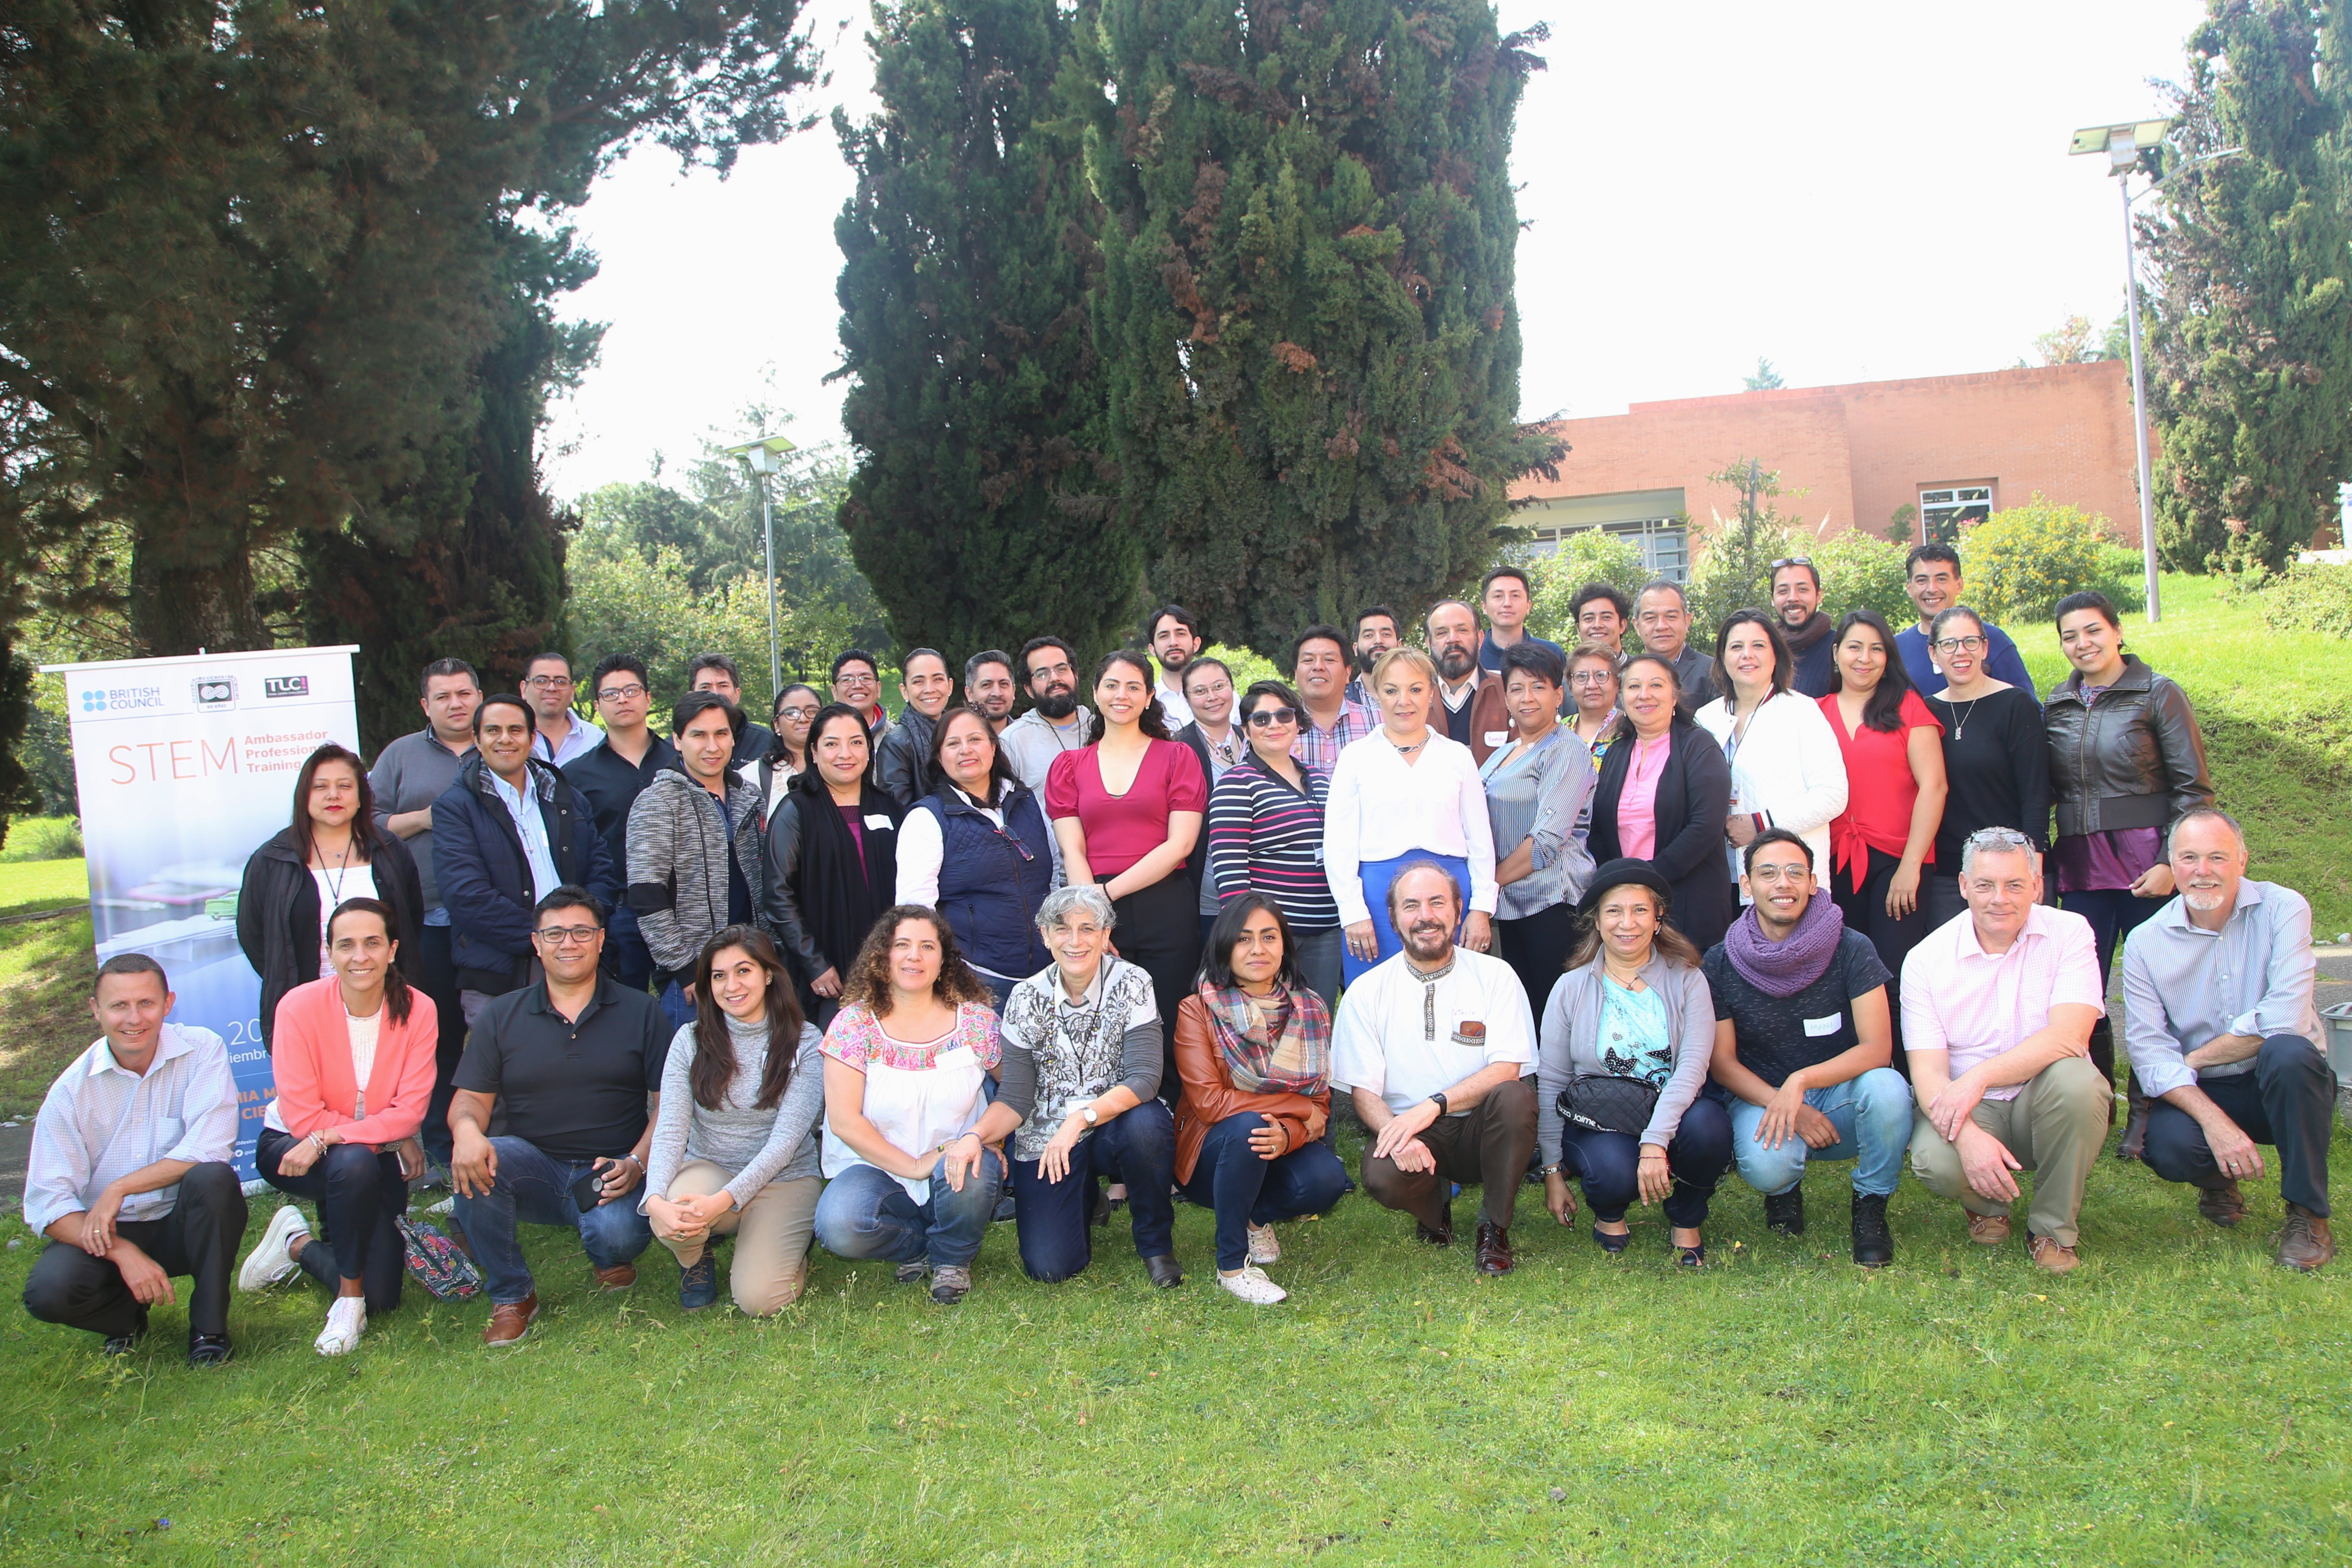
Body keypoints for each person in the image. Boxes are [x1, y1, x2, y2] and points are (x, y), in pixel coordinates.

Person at [448, 887, 669, 1345]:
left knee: (618, 1236)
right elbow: (469, 1100)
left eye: (581, 931)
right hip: (534, 1167)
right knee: (477, 1160)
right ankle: (512, 1295)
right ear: (536, 942)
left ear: (602, 939)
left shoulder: (642, 1010)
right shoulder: (501, 1015)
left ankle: (607, 1254)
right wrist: (466, 1132)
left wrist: (638, 1161)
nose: (568, 943)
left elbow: (668, 1102)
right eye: (554, 933)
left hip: (614, 1168)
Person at [2123, 809, 2335, 1270]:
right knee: (2169, 1148)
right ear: (2172, 865)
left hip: (2278, 1077)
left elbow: (2282, 1018)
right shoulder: (2142, 942)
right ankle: (2218, 1181)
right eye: (2189, 857)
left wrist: (2190, 1060)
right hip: (2206, 1086)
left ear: (2242, 859)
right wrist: (2214, 1122)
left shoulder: (2284, 908)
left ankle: (2307, 1214)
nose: (2203, 871)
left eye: (2217, 856)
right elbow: (2147, 1051)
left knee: (2289, 1052)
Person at [2045, 589, 2214, 1156]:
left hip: (2148, 869)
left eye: (2092, 630)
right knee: (2082, 994)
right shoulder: (2057, 704)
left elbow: (2193, 790)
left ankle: (2151, 1110)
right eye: (2070, 635)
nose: (2082, 643)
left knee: (2156, 996)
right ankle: (2094, 1105)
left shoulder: (2157, 693)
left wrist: (2172, 861)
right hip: (2081, 870)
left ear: (2116, 631)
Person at [1901, 828, 2108, 1274]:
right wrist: (1968, 1138)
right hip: (1974, 1109)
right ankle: (1986, 1203)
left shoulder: (2070, 933)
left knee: (2080, 1082)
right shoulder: (1924, 960)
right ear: (1962, 886)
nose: (2000, 898)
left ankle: (2052, 1229)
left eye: (2014, 884)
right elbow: (1929, 1075)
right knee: (1935, 1160)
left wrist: (1976, 1077)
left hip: (2044, 1097)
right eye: (1984, 885)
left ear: (2037, 885)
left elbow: (2069, 1036)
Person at [22, 955, 245, 1365]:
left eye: (146, 1003)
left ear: (168, 1002)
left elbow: (211, 1146)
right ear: (96, 1009)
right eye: (118, 1005)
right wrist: (123, 1251)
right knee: (48, 1292)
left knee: (214, 1179)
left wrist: (119, 1187)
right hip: (107, 1232)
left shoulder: (202, 1049)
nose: (133, 1018)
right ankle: (125, 1319)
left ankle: (209, 1331)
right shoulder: (71, 1090)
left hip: (183, 1221)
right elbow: (47, 1203)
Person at [239, 899, 436, 1354]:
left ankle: (296, 1243)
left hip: (364, 1148)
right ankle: (348, 1301)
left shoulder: (419, 1009)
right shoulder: (298, 1006)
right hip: (290, 1149)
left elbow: (409, 1113)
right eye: (345, 944)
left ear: (392, 949)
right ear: (329, 952)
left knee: (385, 1297)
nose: (359, 956)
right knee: (352, 1163)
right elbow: (302, 1117)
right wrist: (380, 1131)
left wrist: (341, 1134)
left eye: (372, 943)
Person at [1702, 833, 1905, 1265]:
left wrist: (1802, 1082)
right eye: (1768, 872)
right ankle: (1783, 1189)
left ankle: (1870, 1204)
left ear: (1813, 882)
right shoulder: (1719, 961)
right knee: (1769, 1167)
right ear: (1746, 883)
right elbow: (1722, 1063)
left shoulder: (1852, 947)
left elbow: (1877, 1048)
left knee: (1889, 1089)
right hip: (1762, 1099)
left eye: (1795, 872)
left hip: (1838, 1097)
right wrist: (1787, 1102)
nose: (1783, 883)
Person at [1333, 863, 1535, 1270]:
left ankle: (1494, 1228)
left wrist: (1433, 1105)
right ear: (1392, 918)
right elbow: (1364, 1091)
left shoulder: (1495, 975)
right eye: (1411, 905)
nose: (1425, 915)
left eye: (1437, 902)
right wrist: (1399, 1135)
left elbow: (1507, 1070)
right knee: (1381, 1175)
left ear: (1458, 910)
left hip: (1483, 1126)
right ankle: (1432, 1212)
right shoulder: (1365, 992)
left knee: (1515, 1097)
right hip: (1414, 1131)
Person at [1537, 860, 1730, 1266]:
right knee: (1609, 1170)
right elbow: (1552, 1081)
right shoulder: (1569, 988)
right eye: (1614, 911)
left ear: (1658, 919)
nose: (1628, 923)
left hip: (1674, 1110)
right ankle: (1610, 1212)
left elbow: (1693, 1067)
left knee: (1709, 1127)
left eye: (1640, 910)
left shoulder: (1688, 979)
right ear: (1597, 921)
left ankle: (1686, 1215)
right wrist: (1552, 1171)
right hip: (1600, 1118)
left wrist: (1655, 1141)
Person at [813, 906, 1007, 1306]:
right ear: (882, 957)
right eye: (901, 945)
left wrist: (989, 1137)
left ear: (944, 960)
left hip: (954, 1160)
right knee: (840, 1225)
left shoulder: (975, 1022)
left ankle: (951, 1259)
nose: (914, 956)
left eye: (927, 946)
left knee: (972, 1172)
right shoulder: (854, 1024)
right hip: (874, 1166)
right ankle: (917, 1247)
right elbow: (845, 1121)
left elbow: (1017, 1089)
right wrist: (915, 1165)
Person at [989, 885, 1181, 1286]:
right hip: (1046, 1135)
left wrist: (1080, 1120)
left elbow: (1145, 1077)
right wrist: (978, 1136)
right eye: (1062, 929)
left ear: (1106, 935)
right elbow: (1016, 1096)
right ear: (1043, 935)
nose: (1075, 941)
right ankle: (1085, 1195)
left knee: (1147, 1126)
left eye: (1087, 928)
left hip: (1115, 1121)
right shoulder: (1024, 998)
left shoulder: (1133, 982)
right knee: (1050, 1267)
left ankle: (1155, 1244)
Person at [1176, 894, 1352, 1304]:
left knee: (1327, 1180)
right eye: (1243, 939)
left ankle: (1256, 1217)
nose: (1258, 949)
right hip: (1211, 1154)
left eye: (1269, 937)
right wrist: (1295, 1107)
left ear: (1284, 946)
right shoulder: (1196, 1009)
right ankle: (1232, 1266)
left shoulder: (1311, 1009)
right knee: (1247, 1126)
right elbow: (1210, 1104)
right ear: (1224, 947)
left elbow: (1320, 1107)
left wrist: (1289, 1135)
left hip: (1277, 1142)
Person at [643, 926, 828, 1313]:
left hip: (785, 1178)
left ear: (768, 974)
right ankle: (696, 1259)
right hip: (712, 1169)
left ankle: (783, 1241)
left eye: (743, 971)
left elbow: (785, 1144)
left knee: (759, 1300)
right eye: (718, 975)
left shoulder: (806, 1042)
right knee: (676, 1209)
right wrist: (655, 1198)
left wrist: (723, 1202)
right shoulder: (689, 1040)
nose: (731, 986)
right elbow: (671, 1128)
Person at [1045, 650, 1208, 1075]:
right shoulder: (1068, 766)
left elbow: (1180, 844)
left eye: (1134, 686)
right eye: (1112, 685)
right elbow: (1072, 850)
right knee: (1102, 1023)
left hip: (1164, 906)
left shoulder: (1178, 758)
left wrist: (1106, 896)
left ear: (1150, 695)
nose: (1122, 695)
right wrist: (1091, 919)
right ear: (1095, 693)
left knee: (1168, 1020)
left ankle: (1174, 1125)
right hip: (1094, 909)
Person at [433, 694, 618, 1026]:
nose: (505, 739)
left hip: (578, 959)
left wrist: (578, 933)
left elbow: (601, 870)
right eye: (493, 730)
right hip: (499, 973)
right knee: (511, 1072)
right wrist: (546, 938)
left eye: (515, 729)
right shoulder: (456, 806)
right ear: (477, 739)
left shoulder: (566, 797)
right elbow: (466, 895)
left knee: (582, 1065)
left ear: (532, 738)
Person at [1325, 646, 1498, 985]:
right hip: (1376, 900)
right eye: (1391, 690)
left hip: (1449, 895)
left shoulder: (1457, 757)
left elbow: (1480, 839)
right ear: (1377, 694)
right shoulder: (1355, 758)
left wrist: (1480, 908)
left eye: (1415, 689)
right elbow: (1338, 842)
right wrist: (1352, 911)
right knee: (1377, 997)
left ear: (1431, 693)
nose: (1404, 700)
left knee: (1453, 994)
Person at [237, 742, 425, 1051]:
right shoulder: (273, 859)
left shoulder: (390, 850)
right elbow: (254, 936)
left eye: (345, 786)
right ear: (304, 796)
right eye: (320, 786)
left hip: (386, 1003)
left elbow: (409, 922)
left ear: (361, 796)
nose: (333, 796)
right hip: (305, 1009)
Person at [1819, 609, 1947, 1063]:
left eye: (1876, 648)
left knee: (1895, 975)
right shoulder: (1815, 712)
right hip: (1834, 863)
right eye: (1854, 646)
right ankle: (1859, 1075)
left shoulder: (1907, 706)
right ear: (1836, 654)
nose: (1864, 658)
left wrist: (1911, 866)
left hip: (1898, 860)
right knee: (1844, 977)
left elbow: (1933, 786)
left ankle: (1913, 1080)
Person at [369, 656, 480, 1167]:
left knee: (502, 1029)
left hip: (489, 918)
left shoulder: (502, 743)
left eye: (464, 693)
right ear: (425, 705)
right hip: (425, 919)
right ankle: (440, 1145)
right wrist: (426, 818)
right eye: (444, 696)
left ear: (479, 695)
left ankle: (504, 1138)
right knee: (436, 1035)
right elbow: (367, 824)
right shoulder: (399, 755)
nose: (456, 704)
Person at [627, 692, 770, 1031]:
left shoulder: (749, 797)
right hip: (694, 976)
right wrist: (684, 968)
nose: (712, 746)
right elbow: (647, 897)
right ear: (677, 740)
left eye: (721, 734)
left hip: (752, 963)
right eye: (698, 735)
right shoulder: (658, 802)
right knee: (702, 1076)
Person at [896, 707, 1056, 1008]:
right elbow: (916, 911)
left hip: (1049, 975)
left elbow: (1056, 876)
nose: (965, 750)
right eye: (953, 743)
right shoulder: (926, 819)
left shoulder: (1027, 802)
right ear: (939, 757)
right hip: (976, 981)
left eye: (975, 739)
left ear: (993, 747)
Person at [1693, 608, 1847, 904]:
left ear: (1776, 655)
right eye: (1736, 647)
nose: (1747, 655)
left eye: (1758, 646)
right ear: (1723, 658)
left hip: (1785, 880)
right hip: (1719, 877)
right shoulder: (1707, 717)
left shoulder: (1802, 712)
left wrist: (1762, 824)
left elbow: (1833, 795)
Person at [1207, 680, 1344, 1010]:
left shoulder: (1321, 779)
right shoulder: (1236, 783)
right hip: (1270, 937)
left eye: (1284, 715)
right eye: (1261, 719)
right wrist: (1251, 937)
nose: (1274, 725)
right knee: (1269, 1031)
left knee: (1315, 1026)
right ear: (1246, 729)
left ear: (1297, 722)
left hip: (1326, 931)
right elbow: (1230, 871)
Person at [764, 704, 904, 1024]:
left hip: (892, 967)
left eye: (856, 742)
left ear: (869, 750)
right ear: (813, 752)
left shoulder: (889, 806)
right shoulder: (796, 811)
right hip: (828, 975)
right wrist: (815, 963)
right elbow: (777, 894)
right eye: (831, 743)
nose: (845, 753)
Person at [1586, 655, 1736, 951]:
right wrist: (1620, 880)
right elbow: (1599, 825)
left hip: (1688, 898)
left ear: (1675, 695)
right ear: (1622, 697)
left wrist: (1649, 879)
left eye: (1656, 685)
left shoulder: (1699, 746)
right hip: (1627, 903)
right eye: (1634, 686)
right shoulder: (1616, 753)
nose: (1644, 695)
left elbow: (1705, 826)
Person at [1479, 643, 1595, 1012]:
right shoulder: (1505, 752)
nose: (1526, 697)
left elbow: (1546, 841)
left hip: (1552, 906)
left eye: (1538, 686)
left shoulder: (1565, 749)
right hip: (1512, 906)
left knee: (1554, 1018)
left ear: (1559, 695)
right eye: (1516, 688)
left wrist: (1486, 884)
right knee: (1524, 1018)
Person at [1919, 606, 2049, 931]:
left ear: (1985, 647)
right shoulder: (1924, 711)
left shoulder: (2015, 705)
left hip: (2009, 870)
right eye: (1949, 644)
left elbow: (2035, 793)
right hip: (1947, 874)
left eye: (1969, 642)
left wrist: (2033, 870)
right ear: (1933, 653)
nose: (1960, 652)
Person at [564, 654, 679, 995]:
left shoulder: (681, 760)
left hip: (681, 906)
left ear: (648, 697)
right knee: (621, 1002)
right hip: (618, 909)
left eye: (631, 690)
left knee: (685, 1003)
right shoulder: (576, 774)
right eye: (611, 694)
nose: (622, 699)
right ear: (598, 704)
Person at [1894, 544, 2035, 696]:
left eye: (1941, 579)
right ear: (1909, 588)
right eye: (1922, 580)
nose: (1932, 589)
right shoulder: (1895, 648)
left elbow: (2027, 709)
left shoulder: (1993, 640)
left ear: (1959, 585)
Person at [1173, 655, 1243, 936]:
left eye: (1219, 686)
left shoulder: (1255, 738)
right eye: (1200, 691)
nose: (1212, 697)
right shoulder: (1177, 748)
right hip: (1207, 892)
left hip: (1264, 887)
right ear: (1187, 699)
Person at [1001, 636, 1092, 791]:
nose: (1055, 678)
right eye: (1042, 674)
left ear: (1076, 676)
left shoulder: (1100, 728)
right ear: (1029, 690)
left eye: (1062, 669)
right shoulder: (1012, 741)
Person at [1425, 599, 1510, 760]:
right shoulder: (1415, 698)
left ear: (1480, 638)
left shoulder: (1508, 691)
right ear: (1429, 643)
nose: (1453, 639)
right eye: (1442, 633)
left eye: (1462, 630)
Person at [1290, 622, 1376, 778]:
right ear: (1296, 674)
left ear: (1348, 672)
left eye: (1329, 660)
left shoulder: (1379, 723)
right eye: (1308, 660)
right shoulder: (1274, 727)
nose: (1318, 667)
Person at [874, 647, 956, 808]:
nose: (930, 689)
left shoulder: (960, 733)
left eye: (938, 679)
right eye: (919, 681)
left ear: (950, 686)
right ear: (904, 691)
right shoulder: (896, 744)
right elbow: (898, 811)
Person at [1565, 643, 1623, 847]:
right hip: (1563, 846)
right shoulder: (1558, 731)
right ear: (1570, 686)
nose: (1591, 685)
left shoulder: (1630, 730)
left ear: (1617, 683)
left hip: (1612, 841)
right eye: (1581, 677)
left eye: (1601, 676)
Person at [688, 652, 776, 774]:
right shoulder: (673, 747)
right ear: (691, 696)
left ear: (737, 694)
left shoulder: (765, 742)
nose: (715, 694)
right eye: (706, 687)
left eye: (723, 686)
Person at [1633, 579, 1714, 708]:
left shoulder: (1713, 672)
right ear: (1637, 626)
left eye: (1671, 617)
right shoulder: (1626, 674)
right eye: (1651, 618)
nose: (1661, 626)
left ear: (1687, 621)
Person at [748, 682, 821, 818]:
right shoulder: (754, 775)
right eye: (792, 713)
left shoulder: (840, 765)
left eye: (812, 712)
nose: (803, 719)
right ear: (777, 724)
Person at [1477, 565, 1564, 673]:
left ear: (1528, 606)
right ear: (1484, 607)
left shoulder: (1552, 652)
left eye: (1515, 596)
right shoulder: (1473, 655)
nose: (1507, 603)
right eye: (1498, 596)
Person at [1771, 557, 1837, 698]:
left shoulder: (1839, 648)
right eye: (1783, 591)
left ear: (1819, 596)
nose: (1793, 598)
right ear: (1772, 599)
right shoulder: (1764, 649)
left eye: (1802, 589)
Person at [524, 651, 601, 767]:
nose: (551, 688)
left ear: (572, 692)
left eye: (561, 682)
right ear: (524, 690)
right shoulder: (510, 739)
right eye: (541, 681)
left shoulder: (595, 740)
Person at [1144, 603, 1205, 728]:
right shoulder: (1144, 703)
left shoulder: (1224, 699)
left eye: (1180, 634)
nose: (1173, 643)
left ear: (1196, 644)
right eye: (1164, 636)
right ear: (1152, 649)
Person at [830, 649, 893, 760]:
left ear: (878, 688)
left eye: (865, 678)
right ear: (835, 692)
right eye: (847, 680)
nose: (857, 685)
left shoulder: (900, 737)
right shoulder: (822, 737)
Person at [1345, 603, 1401, 708]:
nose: (1378, 641)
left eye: (1386, 634)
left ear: (1400, 645)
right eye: (1368, 636)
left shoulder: (1420, 695)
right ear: (1356, 649)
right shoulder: (1341, 701)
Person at [1567, 582, 1631, 657]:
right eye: (1589, 619)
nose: (1597, 625)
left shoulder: (1640, 669)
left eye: (1606, 617)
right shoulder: (1570, 669)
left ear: (1622, 626)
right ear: (1578, 629)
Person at [964, 650, 1018, 733]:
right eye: (986, 685)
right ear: (969, 694)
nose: (997, 693)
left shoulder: (1029, 739)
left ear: (1013, 691)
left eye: (1004, 684)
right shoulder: (953, 738)